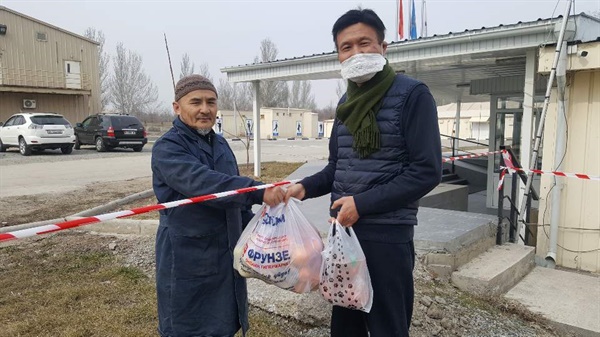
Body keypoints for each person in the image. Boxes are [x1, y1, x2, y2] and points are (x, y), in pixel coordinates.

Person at [284, 8, 442, 337]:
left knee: (387, 327)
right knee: (346, 325)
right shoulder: (346, 105)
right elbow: (335, 169)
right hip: (344, 237)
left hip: (387, 238)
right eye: (346, 47)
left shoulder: (413, 95)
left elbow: (426, 171)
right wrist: (302, 188)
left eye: (364, 43)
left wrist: (363, 204)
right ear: (338, 55)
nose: (356, 53)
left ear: (384, 47)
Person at [151, 74, 285, 337]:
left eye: (211, 102)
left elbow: (237, 202)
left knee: (224, 321)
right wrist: (257, 190)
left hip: (226, 253)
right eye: (196, 102)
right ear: (177, 107)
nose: (205, 109)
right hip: (187, 254)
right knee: (188, 325)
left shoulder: (221, 143)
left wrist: (262, 234)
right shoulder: (167, 148)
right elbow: (202, 182)